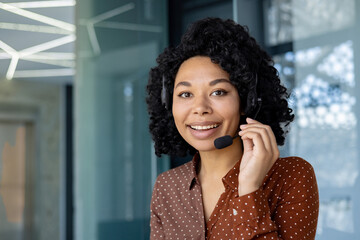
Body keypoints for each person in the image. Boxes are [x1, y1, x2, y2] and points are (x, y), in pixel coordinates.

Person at [146, 18, 319, 240]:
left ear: (248, 101)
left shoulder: (291, 176)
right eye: (185, 94)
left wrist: (249, 189)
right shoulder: (167, 187)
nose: (200, 108)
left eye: (218, 92)